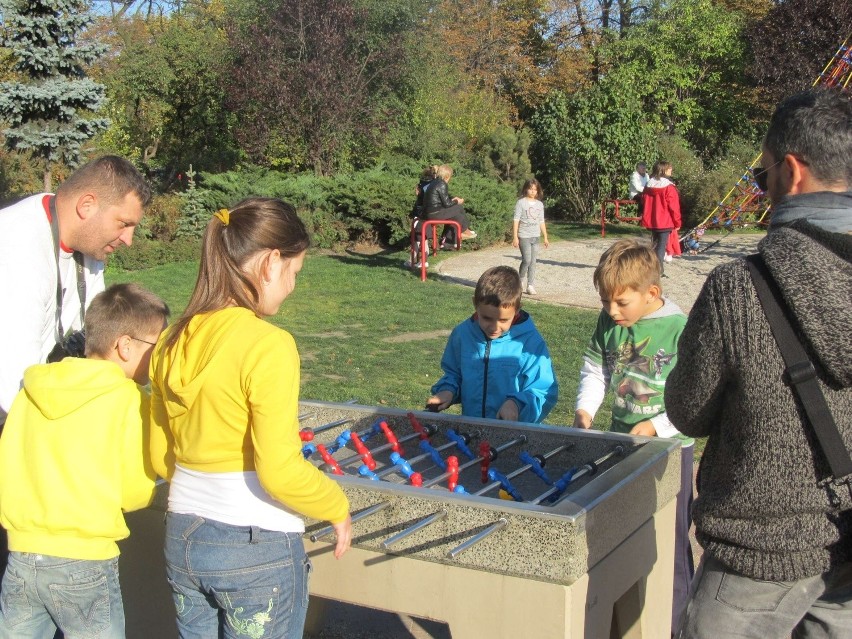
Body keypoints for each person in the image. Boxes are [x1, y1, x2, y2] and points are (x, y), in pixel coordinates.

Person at [667, 88, 852, 639]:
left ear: (791, 171)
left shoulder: (738, 288)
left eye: (762, 172)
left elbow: (687, 411)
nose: (762, 184)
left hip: (757, 552)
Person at [148, 198, 352, 639]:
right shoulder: (267, 345)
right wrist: (335, 505)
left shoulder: (168, 341)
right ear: (271, 262)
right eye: (294, 273)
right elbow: (278, 471)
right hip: (255, 546)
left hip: (183, 537)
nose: (293, 286)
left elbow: (161, 453)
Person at [0, 283, 169, 639]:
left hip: (22, 555)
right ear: (125, 346)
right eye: (158, 346)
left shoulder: (31, 389)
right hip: (85, 560)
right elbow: (134, 493)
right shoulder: (128, 400)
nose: (162, 356)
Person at [573, 238, 694, 634]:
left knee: (669, 545)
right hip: (622, 447)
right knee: (619, 535)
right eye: (605, 302)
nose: (611, 311)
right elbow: (596, 370)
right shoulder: (609, 321)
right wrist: (586, 409)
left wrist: (659, 427)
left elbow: (697, 396)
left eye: (620, 303)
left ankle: (673, 624)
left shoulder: (680, 329)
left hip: (670, 452)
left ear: (651, 294)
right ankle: (621, 618)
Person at [0, 155, 151, 427]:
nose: (129, 240)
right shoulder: (19, 248)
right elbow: (13, 387)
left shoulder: (88, 247)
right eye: (123, 224)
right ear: (87, 205)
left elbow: (101, 340)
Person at [426, 265, 558, 423]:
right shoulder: (462, 334)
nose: (494, 327)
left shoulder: (530, 343)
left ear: (517, 310)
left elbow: (543, 390)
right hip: (472, 430)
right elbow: (454, 374)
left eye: (503, 320)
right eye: (487, 318)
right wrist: (448, 391)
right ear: (475, 304)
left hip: (513, 435)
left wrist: (516, 404)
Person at [640, 161, 682, 274]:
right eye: (669, 168)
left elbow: (644, 201)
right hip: (665, 221)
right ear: (663, 170)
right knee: (661, 246)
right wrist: (677, 222)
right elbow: (674, 207)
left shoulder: (648, 185)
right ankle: (658, 270)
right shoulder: (668, 187)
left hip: (652, 220)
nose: (671, 170)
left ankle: (654, 268)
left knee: (655, 244)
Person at [422, 164, 476, 247]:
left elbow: (443, 201)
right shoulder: (442, 184)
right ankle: (464, 231)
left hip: (431, 212)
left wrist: (453, 200)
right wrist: (457, 201)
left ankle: (447, 241)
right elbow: (447, 204)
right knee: (458, 207)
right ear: (447, 176)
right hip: (435, 214)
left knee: (458, 216)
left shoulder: (435, 182)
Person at [512, 178, 550, 296]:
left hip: (535, 236)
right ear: (526, 189)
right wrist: (515, 237)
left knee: (533, 262)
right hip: (524, 236)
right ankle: (519, 281)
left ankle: (530, 285)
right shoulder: (521, 203)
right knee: (527, 260)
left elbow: (541, 221)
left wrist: (545, 236)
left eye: (535, 189)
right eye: (530, 189)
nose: (533, 191)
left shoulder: (539, 205)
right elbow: (516, 220)